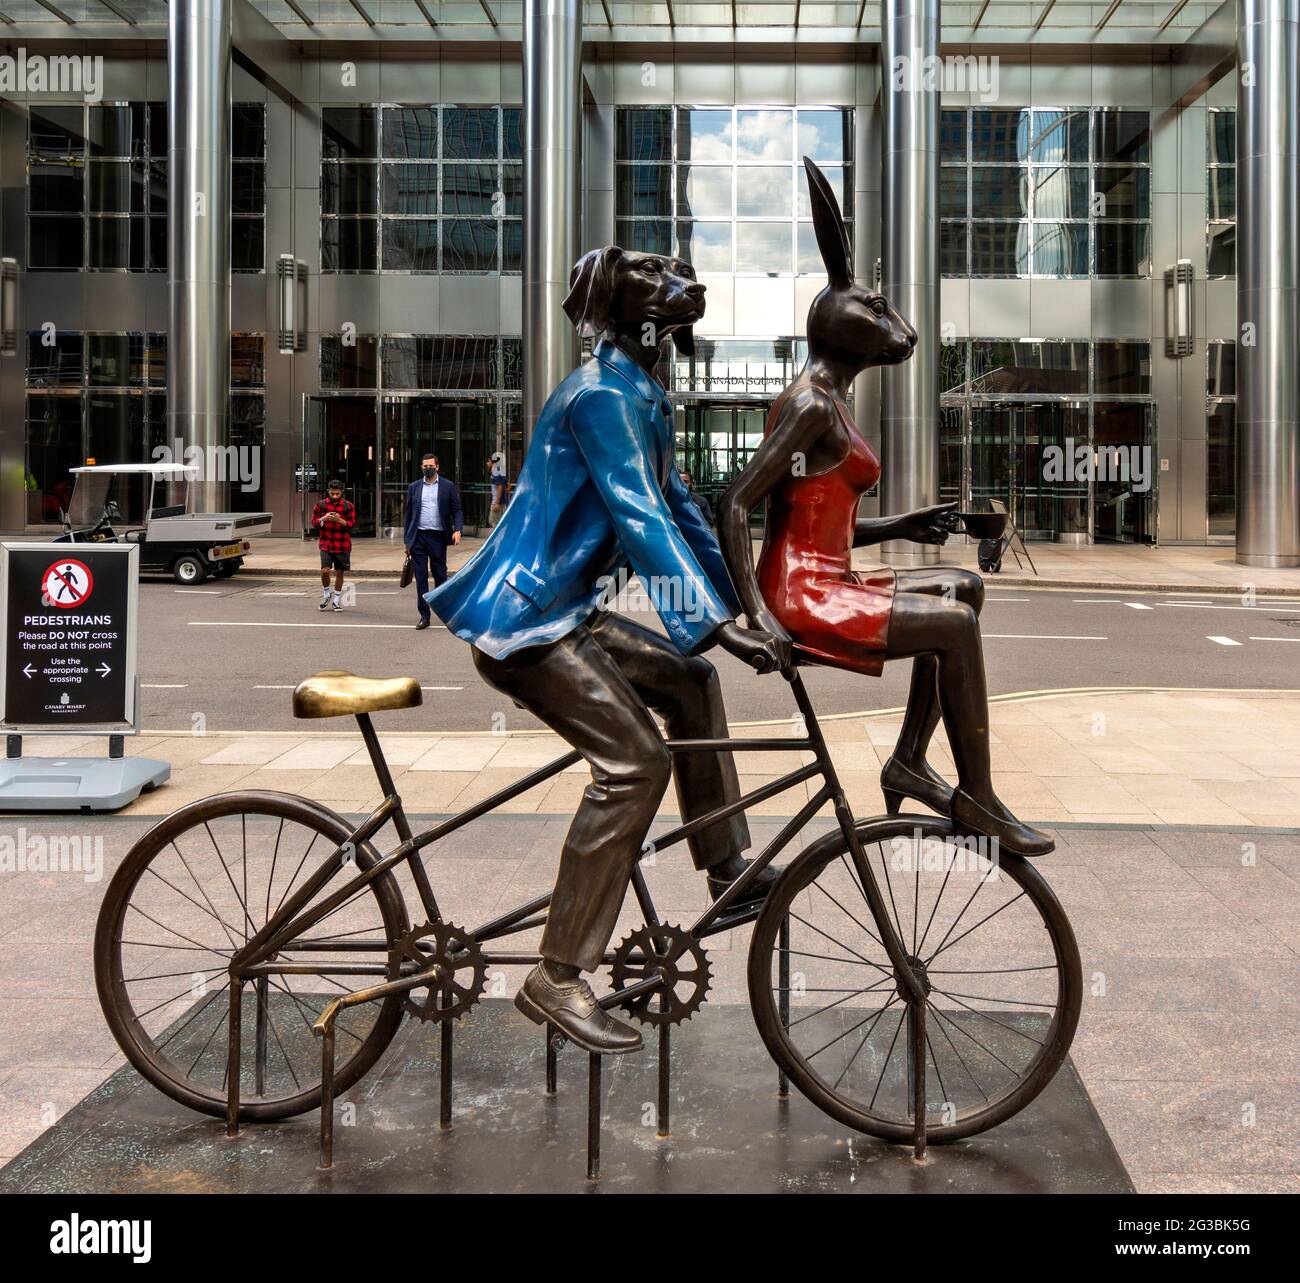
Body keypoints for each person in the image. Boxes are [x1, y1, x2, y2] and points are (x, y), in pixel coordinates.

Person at [428, 246, 783, 1055]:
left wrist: (744, 614)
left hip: (572, 615)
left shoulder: (644, 395)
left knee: (690, 681)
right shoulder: (597, 396)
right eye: (660, 279)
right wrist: (717, 621)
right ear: (628, 310)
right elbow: (639, 518)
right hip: (526, 622)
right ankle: (556, 975)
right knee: (635, 763)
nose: (681, 286)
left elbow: (682, 508)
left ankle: (726, 868)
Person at [716, 159, 1051, 857]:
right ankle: (978, 795)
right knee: (954, 625)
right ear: (835, 317)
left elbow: (816, 527)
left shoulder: (829, 401)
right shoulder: (810, 404)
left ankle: (909, 759)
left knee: (964, 584)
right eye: (873, 307)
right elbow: (737, 503)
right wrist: (757, 615)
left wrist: (901, 525)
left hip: (822, 574)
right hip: (802, 594)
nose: (892, 324)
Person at [403, 452, 463, 631]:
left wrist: (458, 530)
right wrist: (408, 542)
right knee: (421, 578)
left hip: (438, 537)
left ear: (437, 467)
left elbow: (457, 510)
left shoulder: (447, 486)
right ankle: (424, 616)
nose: (427, 468)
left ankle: (445, 613)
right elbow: (408, 516)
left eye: (430, 466)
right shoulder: (414, 487)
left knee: (440, 576)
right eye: (424, 466)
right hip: (418, 537)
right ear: (421, 467)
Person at [311, 479, 355, 612]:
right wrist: (324, 518)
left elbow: (352, 524)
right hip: (326, 543)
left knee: (339, 572)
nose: (335, 496)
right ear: (328, 492)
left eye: (337, 494)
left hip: (342, 544)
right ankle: (326, 594)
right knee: (324, 570)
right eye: (332, 493)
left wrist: (340, 520)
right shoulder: (321, 505)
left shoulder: (348, 506)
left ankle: (336, 600)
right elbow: (314, 523)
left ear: (341, 492)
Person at [487, 452, 508, 526]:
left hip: (497, 502)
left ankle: (500, 537)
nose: (487, 463)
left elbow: (499, 486)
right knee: (498, 522)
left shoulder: (495, 471)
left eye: (488, 461)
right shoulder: (500, 471)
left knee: (493, 521)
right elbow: (507, 485)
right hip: (502, 502)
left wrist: (497, 503)